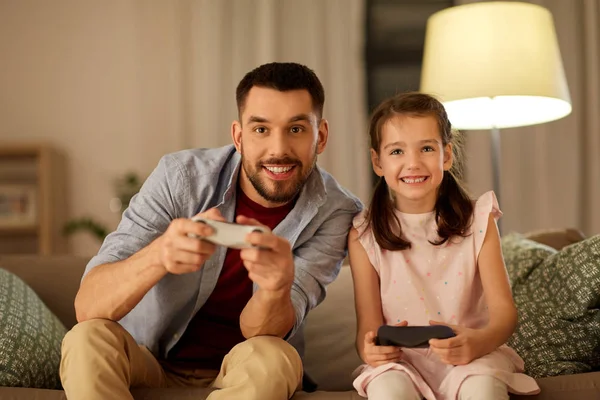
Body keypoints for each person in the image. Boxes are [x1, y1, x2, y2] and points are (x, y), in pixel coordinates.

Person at [60, 62, 362, 400]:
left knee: (274, 357)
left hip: (246, 370)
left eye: (296, 129)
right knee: (86, 338)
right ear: (238, 136)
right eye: (261, 130)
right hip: (151, 361)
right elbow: (89, 307)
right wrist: (160, 254)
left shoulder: (337, 212)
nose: (278, 149)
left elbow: (260, 332)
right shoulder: (180, 177)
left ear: (320, 136)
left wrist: (276, 286)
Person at [347, 92, 540, 400]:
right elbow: (367, 330)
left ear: (446, 155)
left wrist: (478, 342)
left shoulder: (478, 220)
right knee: (388, 390)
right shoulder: (363, 234)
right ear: (377, 161)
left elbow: (505, 314)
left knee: (482, 388)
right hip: (402, 363)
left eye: (426, 148)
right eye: (396, 151)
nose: (413, 163)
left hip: (473, 356)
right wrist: (370, 351)